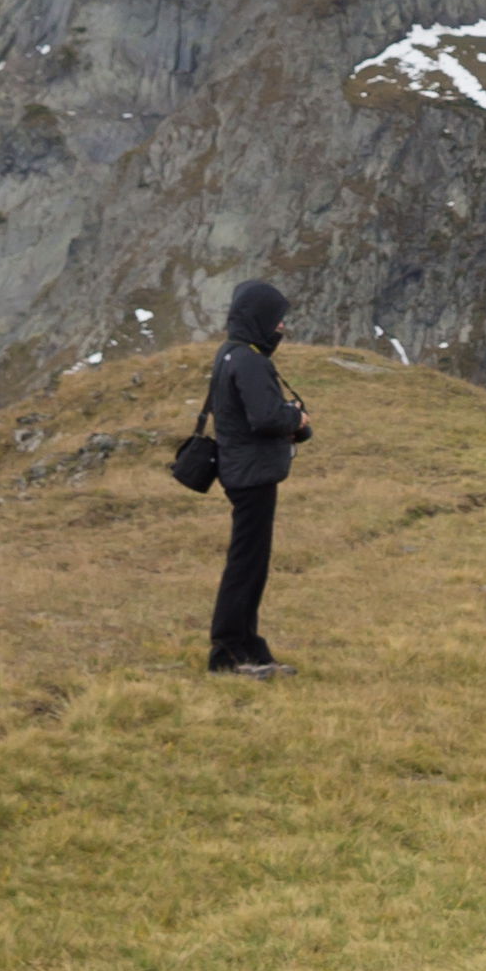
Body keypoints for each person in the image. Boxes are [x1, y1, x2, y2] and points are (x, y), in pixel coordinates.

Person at [204, 280, 318, 675]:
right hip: (251, 475)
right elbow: (266, 417)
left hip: (241, 471)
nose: (281, 327)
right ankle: (229, 651)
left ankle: (247, 645)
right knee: (246, 564)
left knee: (250, 561)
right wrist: (296, 417)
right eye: (276, 319)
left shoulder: (230, 354)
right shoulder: (250, 361)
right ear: (258, 318)